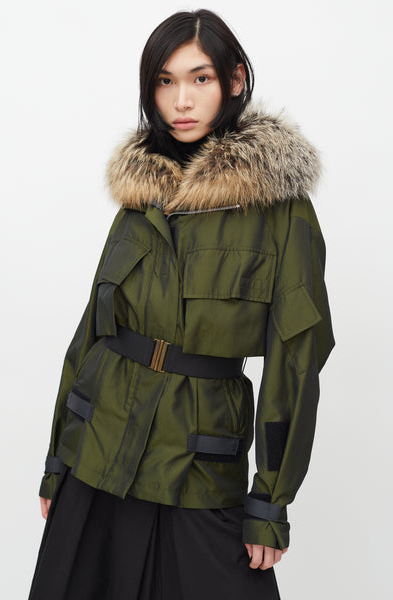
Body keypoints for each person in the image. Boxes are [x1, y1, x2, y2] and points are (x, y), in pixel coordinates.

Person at [28, 8, 335, 600]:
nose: (181, 101)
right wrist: (56, 459)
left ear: (235, 79)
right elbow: (91, 332)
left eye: (201, 78)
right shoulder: (140, 195)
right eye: (165, 82)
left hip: (199, 463)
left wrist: (270, 501)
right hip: (97, 450)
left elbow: (297, 359)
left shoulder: (280, 210)